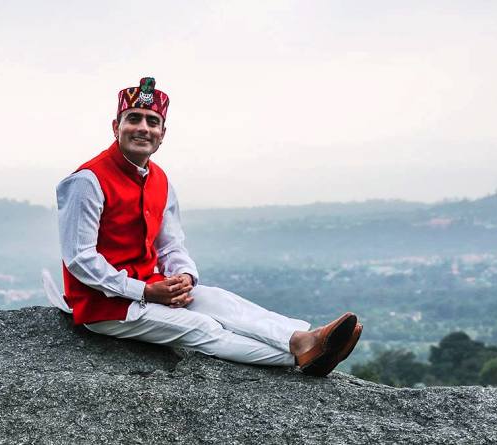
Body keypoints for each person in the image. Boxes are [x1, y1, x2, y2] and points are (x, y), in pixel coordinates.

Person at [45, 77, 361, 377]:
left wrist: (184, 276)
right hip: (103, 306)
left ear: (162, 133)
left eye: (152, 122)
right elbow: (80, 259)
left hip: (152, 286)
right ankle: (305, 356)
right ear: (116, 127)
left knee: (220, 301)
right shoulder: (87, 181)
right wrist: (144, 292)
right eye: (134, 119)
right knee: (202, 327)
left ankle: (302, 339)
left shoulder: (160, 180)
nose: (143, 128)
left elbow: (170, 245)